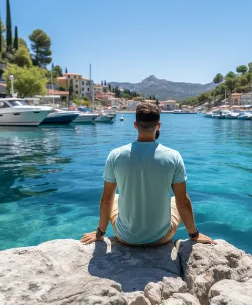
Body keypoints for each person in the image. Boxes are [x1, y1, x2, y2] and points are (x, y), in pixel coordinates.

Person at [81, 103, 216, 246]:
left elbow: (106, 199)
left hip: (125, 238)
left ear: (135, 125)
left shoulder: (115, 155)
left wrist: (99, 234)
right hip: (160, 238)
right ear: (158, 125)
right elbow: (182, 202)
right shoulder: (173, 157)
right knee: (176, 199)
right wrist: (194, 235)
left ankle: (105, 231)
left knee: (113, 197)